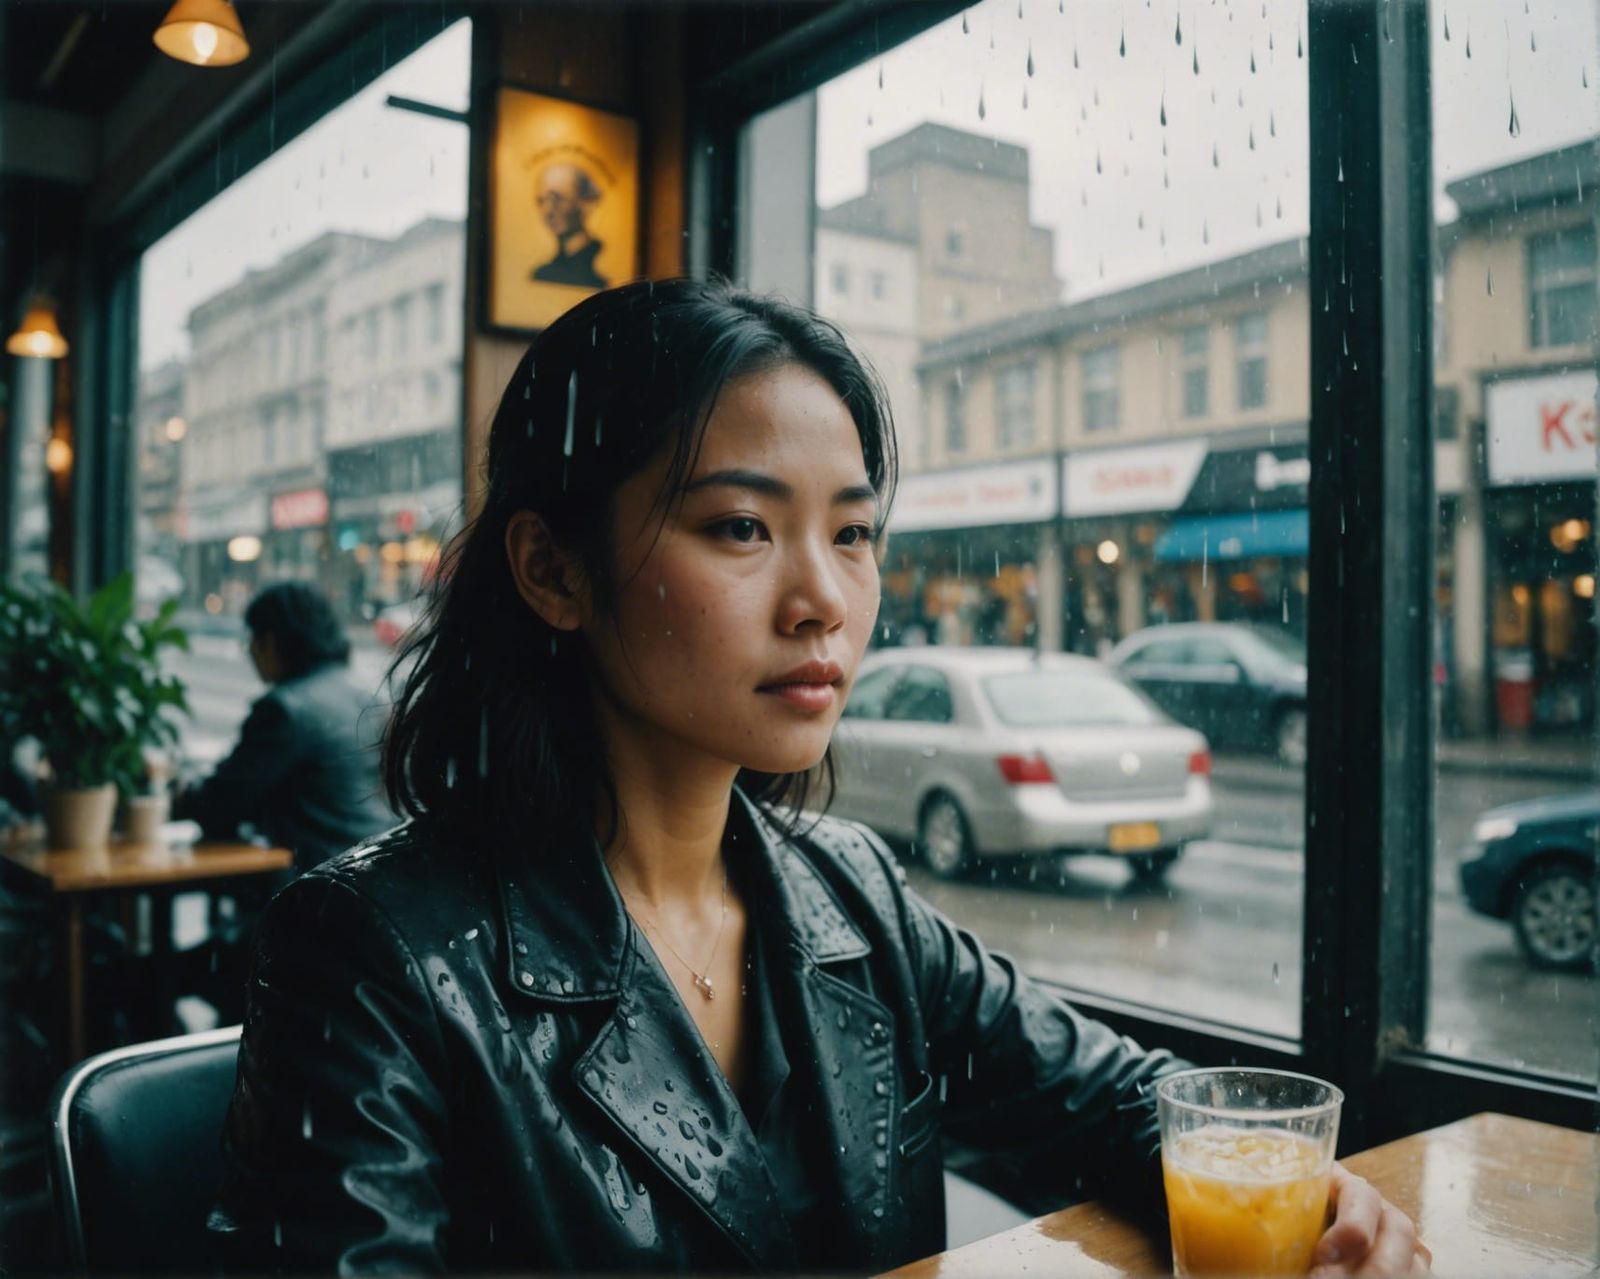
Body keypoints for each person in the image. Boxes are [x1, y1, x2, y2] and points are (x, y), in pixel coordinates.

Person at [208, 280, 1427, 1275]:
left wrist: (1314, 1191)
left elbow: (1116, 1100)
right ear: (551, 569)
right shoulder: (373, 956)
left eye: (852, 532)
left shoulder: (848, 893)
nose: (826, 601)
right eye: (741, 526)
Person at [173, 582, 392, 872]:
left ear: (272, 641)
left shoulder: (284, 709)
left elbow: (222, 802)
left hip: (318, 880)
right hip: (376, 866)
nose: (250, 651)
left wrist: (179, 795)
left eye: (253, 639)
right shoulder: (367, 692)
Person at [531, 162, 608, 288]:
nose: (548, 211)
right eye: (541, 201)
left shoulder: (594, 275)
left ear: (585, 203)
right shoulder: (545, 272)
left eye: (557, 199)